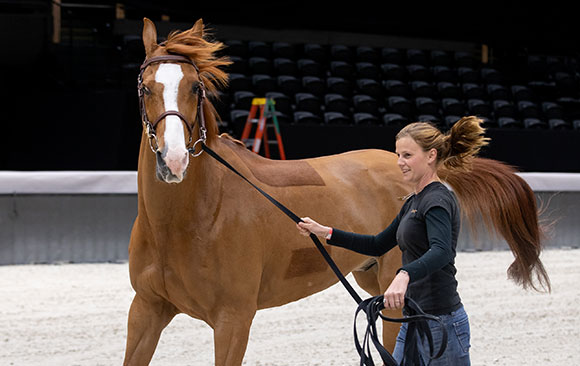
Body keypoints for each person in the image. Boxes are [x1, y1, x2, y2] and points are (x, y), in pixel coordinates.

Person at [297, 116, 490, 366]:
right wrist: (326, 232)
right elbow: (377, 244)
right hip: (411, 319)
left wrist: (403, 274)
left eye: (407, 155)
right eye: (398, 155)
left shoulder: (438, 200)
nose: (400, 163)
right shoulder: (412, 201)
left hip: (442, 323)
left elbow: (441, 251)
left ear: (430, 156)